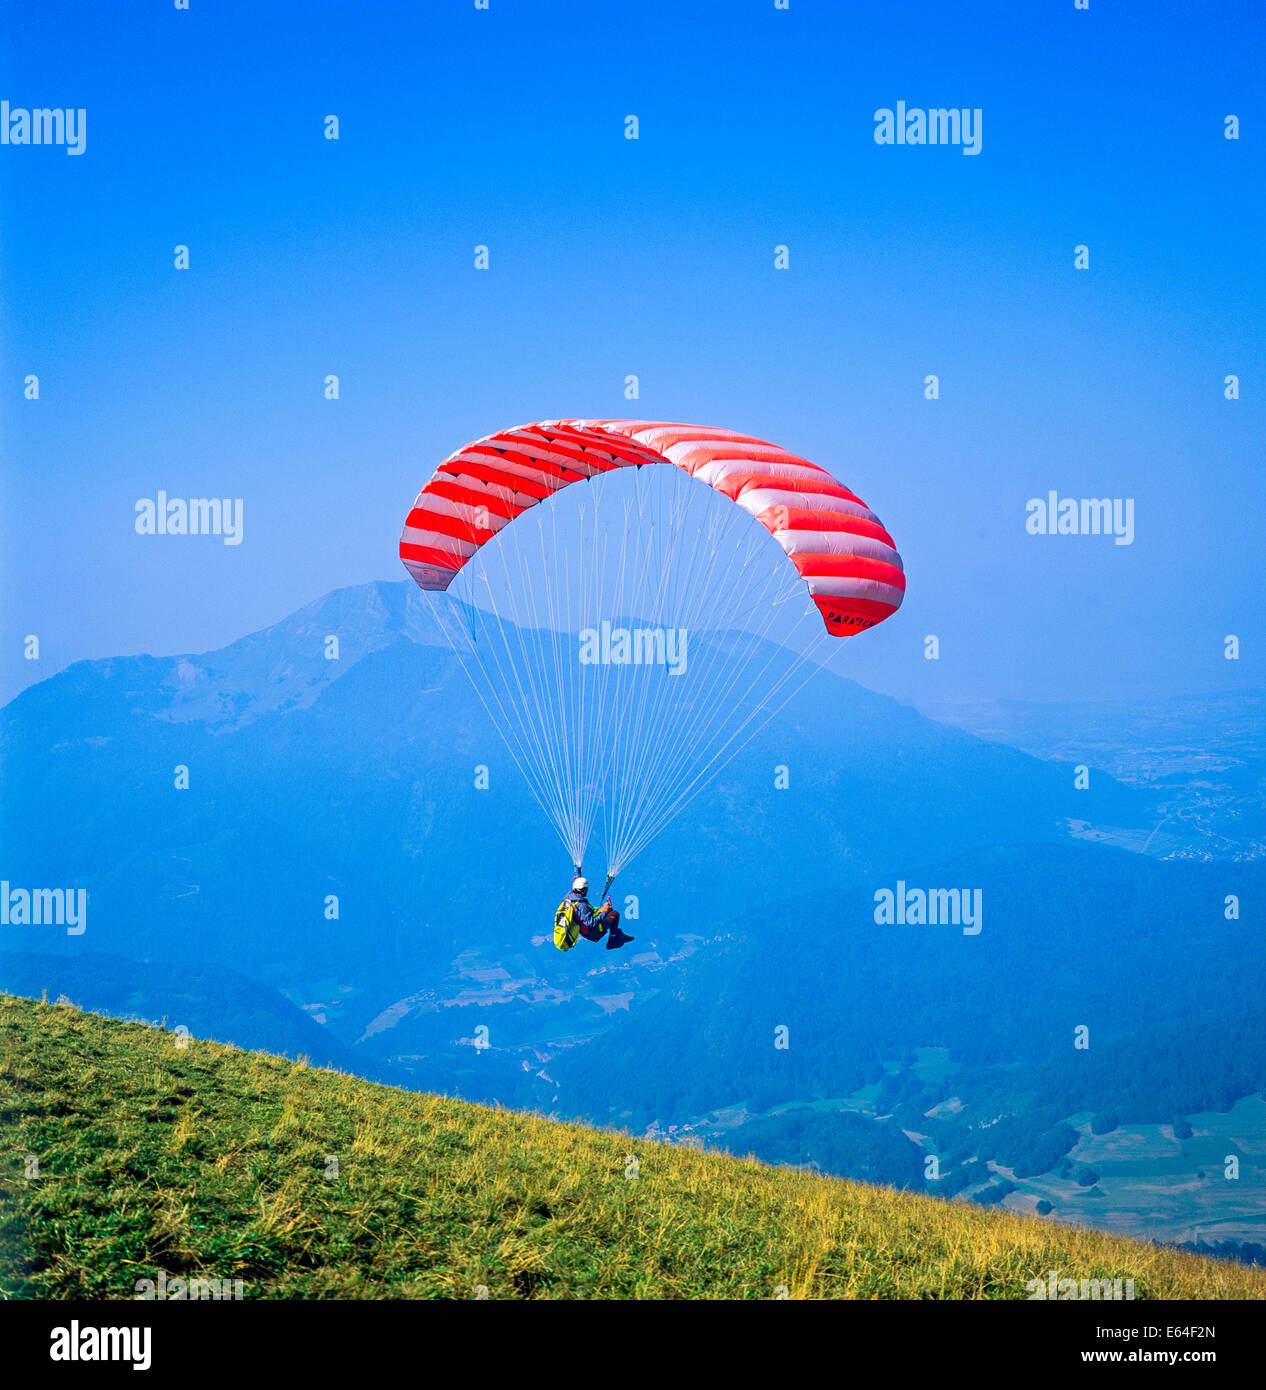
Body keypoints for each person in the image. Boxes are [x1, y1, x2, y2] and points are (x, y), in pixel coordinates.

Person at [556, 875, 634, 951]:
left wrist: (602, 910)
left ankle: (616, 934)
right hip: (592, 932)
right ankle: (612, 940)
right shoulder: (581, 905)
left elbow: (585, 915)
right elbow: (591, 923)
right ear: (584, 890)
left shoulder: (569, 898)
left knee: (608, 911)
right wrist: (605, 911)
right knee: (615, 914)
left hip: (584, 930)